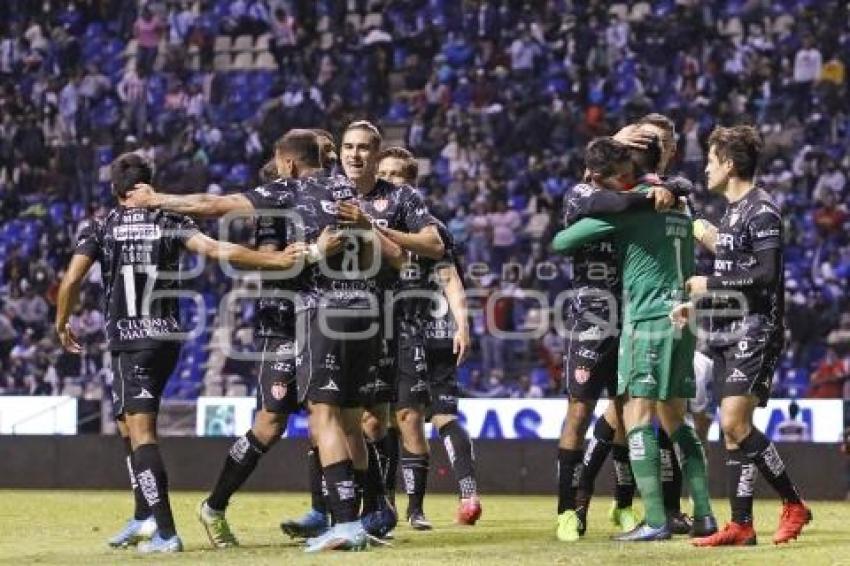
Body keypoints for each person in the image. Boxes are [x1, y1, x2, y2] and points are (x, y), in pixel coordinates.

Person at [55, 153, 304, 554]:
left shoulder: (100, 226)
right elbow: (216, 249)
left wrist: (61, 321)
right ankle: (142, 516)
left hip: (130, 340)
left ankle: (165, 533)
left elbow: (71, 279)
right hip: (167, 339)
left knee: (142, 434)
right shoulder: (169, 219)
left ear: (115, 189)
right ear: (147, 183)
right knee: (125, 424)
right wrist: (273, 258)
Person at [553, 137, 716, 542]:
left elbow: (562, 242)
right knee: (678, 420)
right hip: (685, 320)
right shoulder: (683, 206)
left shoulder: (634, 207)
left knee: (638, 418)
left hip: (647, 319)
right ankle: (706, 516)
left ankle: (657, 519)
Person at [196, 133, 347, 549]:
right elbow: (269, 268)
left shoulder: (328, 199)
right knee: (271, 423)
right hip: (283, 322)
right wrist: (312, 255)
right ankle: (214, 505)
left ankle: (328, 512)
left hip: (324, 318)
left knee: (327, 415)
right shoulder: (275, 209)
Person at [679, 125, 812, 546]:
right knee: (732, 429)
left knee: (734, 422)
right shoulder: (732, 212)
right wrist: (696, 305)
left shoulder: (762, 209)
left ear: (729, 164)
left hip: (756, 331)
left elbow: (765, 276)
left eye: (711, 161)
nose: (705, 169)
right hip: (725, 329)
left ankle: (794, 504)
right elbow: (735, 271)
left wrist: (707, 286)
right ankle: (741, 524)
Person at [375, 146, 481, 527]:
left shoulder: (432, 230)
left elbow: (450, 278)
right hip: (374, 329)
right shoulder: (363, 219)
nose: (388, 181)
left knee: (409, 416)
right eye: (383, 173)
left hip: (414, 330)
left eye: (397, 175)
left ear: (412, 185)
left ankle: (415, 508)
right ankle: (381, 502)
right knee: (380, 421)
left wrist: (462, 325)